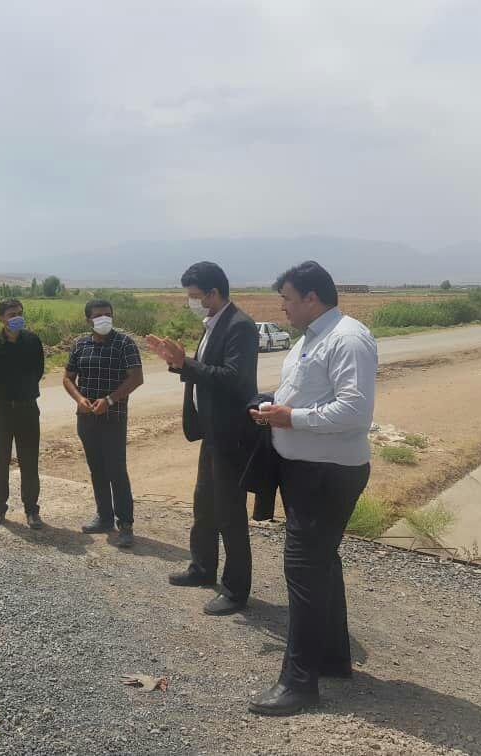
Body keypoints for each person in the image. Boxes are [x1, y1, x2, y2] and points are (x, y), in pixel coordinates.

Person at [248, 261, 377, 716]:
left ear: (311, 298)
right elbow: (309, 393)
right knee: (321, 566)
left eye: (286, 298)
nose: (281, 306)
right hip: (307, 470)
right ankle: (332, 658)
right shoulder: (313, 338)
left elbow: (355, 412)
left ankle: (299, 683)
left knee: (303, 572)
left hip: (327, 474)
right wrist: (273, 405)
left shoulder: (347, 338)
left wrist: (290, 418)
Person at [147, 262, 259, 616]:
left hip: (230, 435)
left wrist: (188, 364)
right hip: (212, 433)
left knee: (229, 514)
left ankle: (235, 589)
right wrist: (179, 363)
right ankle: (202, 568)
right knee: (204, 506)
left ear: (213, 293)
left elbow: (233, 379)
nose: (191, 302)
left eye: (195, 297)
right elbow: (208, 370)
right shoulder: (213, 324)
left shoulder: (240, 327)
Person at [63, 299, 144, 547]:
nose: (104, 319)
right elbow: (67, 377)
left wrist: (109, 400)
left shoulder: (124, 343)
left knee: (116, 471)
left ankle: (126, 524)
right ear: (88, 320)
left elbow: (137, 378)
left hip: (113, 418)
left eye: (108, 314)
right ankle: (104, 517)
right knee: (97, 468)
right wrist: (79, 399)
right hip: (86, 419)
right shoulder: (80, 345)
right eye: (98, 316)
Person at [0, 298, 45, 529]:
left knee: (29, 461)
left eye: (19, 313)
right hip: (0, 411)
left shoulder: (33, 341)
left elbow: (38, 371)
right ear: (0, 318)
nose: (17, 317)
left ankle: (31, 510)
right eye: (11, 314)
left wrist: (22, 390)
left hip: (27, 409)